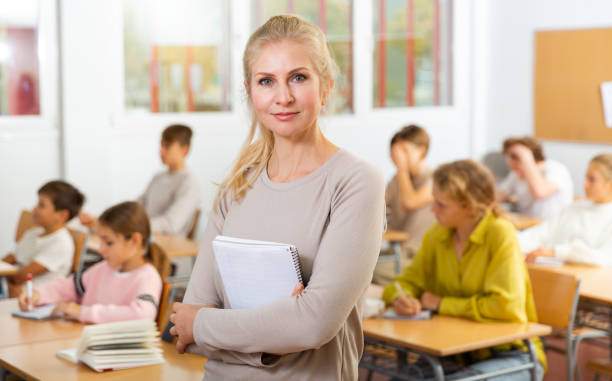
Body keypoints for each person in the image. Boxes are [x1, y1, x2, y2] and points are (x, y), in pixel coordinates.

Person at [169, 15, 385, 380]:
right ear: (250, 92)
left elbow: (313, 326)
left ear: (326, 86)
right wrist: (277, 322)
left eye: (298, 78)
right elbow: (188, 325)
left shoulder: (357, 182)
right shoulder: (237, 185)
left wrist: (209, 324)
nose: (282, 97)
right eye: (266, 81)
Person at [383, 160, 546, 380]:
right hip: (456, 352)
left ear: (469, 206)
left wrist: (442, 304)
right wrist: (399, 299)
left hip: (511, 353)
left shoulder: (500, 233)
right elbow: (402, 284)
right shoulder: (436, 235)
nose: (432, 210)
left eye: (441, 204)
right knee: (401, 378)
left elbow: (505, 306)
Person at [18, 202, 165, 324]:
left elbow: (142, 315)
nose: (101, 249)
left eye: (108, 242)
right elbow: (70, 287)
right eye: (100, 241)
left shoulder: (147, 277)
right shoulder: (103, 269)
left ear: (134, 241)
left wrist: (82, 312)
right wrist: (38, 294)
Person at [80, 124, 200, 238]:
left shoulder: (188, 182)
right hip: (145, 238)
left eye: (167, 146)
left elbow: (171, 225)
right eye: (161, 145)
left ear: (185, 150)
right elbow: (136, 208)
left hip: (169, 248)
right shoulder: (158, 177)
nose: (161, 151)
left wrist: (128, 226)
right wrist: (105, 220)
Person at [521, 153, 612, 266]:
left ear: (610, 184)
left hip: (583, 279)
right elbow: (538, 234)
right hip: (549, 269)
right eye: (586, 178)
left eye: (592, 180)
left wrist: (556, 252)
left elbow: (604, 258)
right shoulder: (574, 208)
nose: (585, 184)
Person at [373, 124, 435, 285]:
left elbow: (410, 202)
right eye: (396, 153)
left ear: (421, 150)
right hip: (397, 251)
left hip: (418, 257)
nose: (399, 158)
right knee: (356, 264)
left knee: (369, 271)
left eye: (404, 151)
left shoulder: (435, 179)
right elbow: (374, 207)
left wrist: (402, 167)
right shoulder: (396, 181)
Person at [2, 181, 84, 296]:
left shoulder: (60, 243)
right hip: (11, 291)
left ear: (62, 215)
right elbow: (10, 258)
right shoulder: (33, 233)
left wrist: (6, 277)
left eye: (41, 205)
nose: (34, 208)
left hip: (30, 299)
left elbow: (20, 278)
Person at [496, 136, 573, 219]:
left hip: (551, 227)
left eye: (517, 168)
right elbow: (499, 196)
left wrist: (525, 156)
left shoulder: (556, 169)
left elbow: (540, 193)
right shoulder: (516, 174)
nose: (515, 173)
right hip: (526, 225)